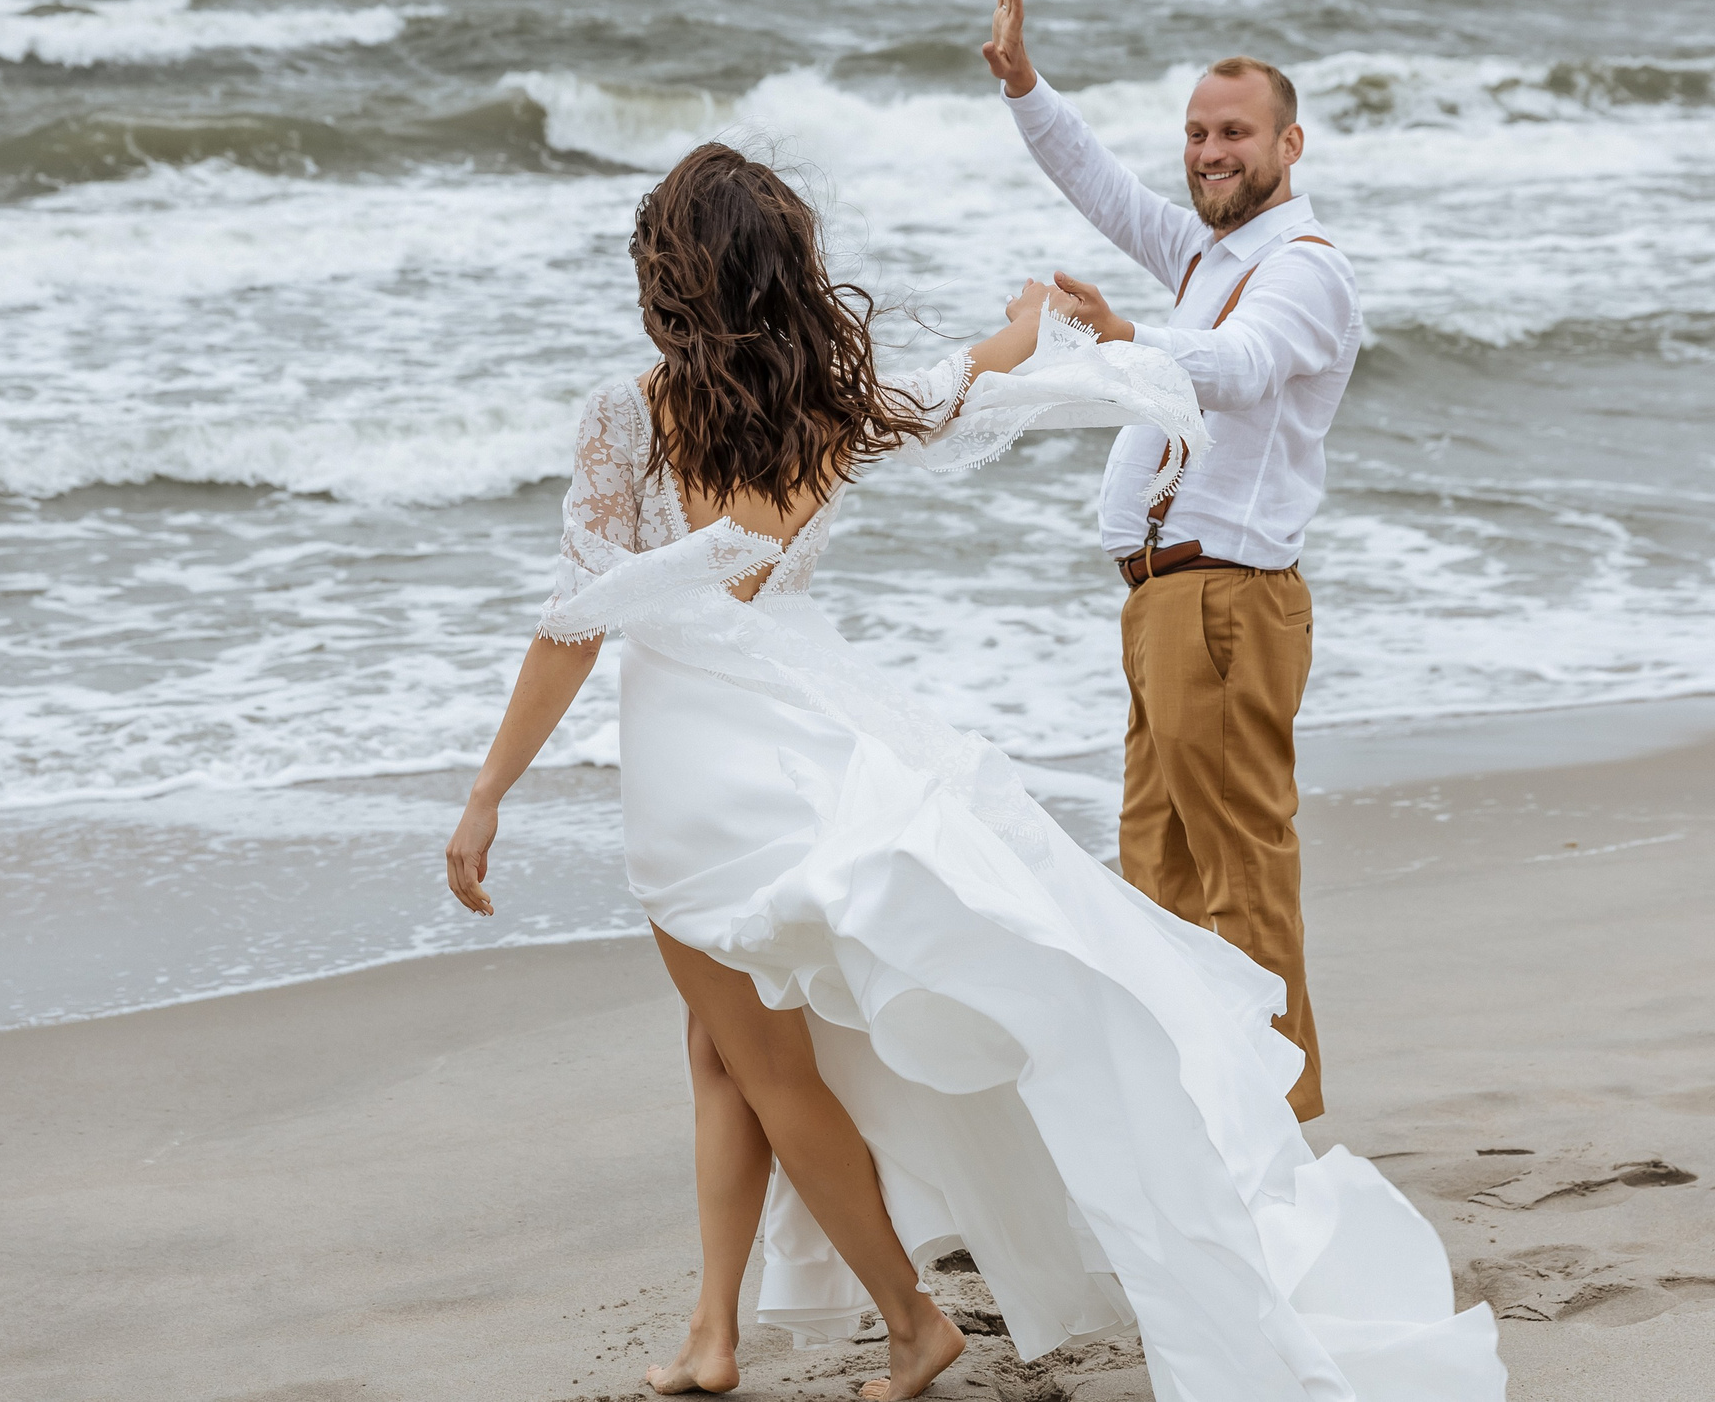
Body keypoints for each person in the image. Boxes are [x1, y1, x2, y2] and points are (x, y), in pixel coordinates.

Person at [445, 143, 1501, 1401]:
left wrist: (487, 793)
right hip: (809, 732)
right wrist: (1020, 328)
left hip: (694, 775)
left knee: (766, 1065)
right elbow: (956, 386)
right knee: (722, 1051)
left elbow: (575, 622)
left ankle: (908, 1319)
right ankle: (712, 1334)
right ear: (783, 271)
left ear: (667, 272)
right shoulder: (826, 405)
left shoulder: (629, 413)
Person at [982, 0, 1354, 1123]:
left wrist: (1127, 335)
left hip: (1227, 605)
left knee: (1241, 873)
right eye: (1196, 132)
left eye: (1233, 132)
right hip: (1161, 605)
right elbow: (1100, 186)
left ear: (1289, 143)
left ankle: (1281, 1121)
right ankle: (1198, 1110)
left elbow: (1240, 374)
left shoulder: (1304, 271)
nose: (1207, 152)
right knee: (1156, 876)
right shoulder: (1205, 257)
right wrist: (1024, 85)